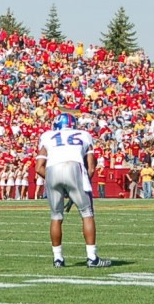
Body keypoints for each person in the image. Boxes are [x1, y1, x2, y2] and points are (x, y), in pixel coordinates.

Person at [35, 113, 110, 268]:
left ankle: (58, 259)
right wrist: (81, 183)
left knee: (56, 216)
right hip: (74, 167)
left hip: (52, 170)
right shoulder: (84, 134)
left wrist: (56, 184)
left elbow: (38, 167)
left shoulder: (48, 136)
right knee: (87, 213)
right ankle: (92, 257)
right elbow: (91, 166)